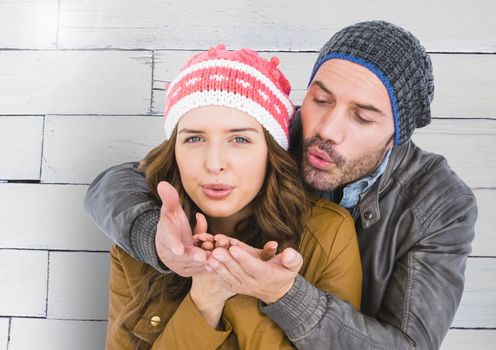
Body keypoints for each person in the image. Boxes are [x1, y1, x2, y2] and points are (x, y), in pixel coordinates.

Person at [85, 21, 477, 349]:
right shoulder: (268, 128)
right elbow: (134, 177)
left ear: (397, 135)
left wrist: (283, 294)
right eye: (320, 100)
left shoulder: (438, 205)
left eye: (363, 117)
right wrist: (149, 235)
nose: (325, 130)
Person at [99, 45, 362, 349]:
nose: (214, 163)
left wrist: (256, 290)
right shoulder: (139, 243)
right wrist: (205, 300)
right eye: (194, 138)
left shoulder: (328, 234)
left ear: (270, 151)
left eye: (239, 139)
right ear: (174, 151)